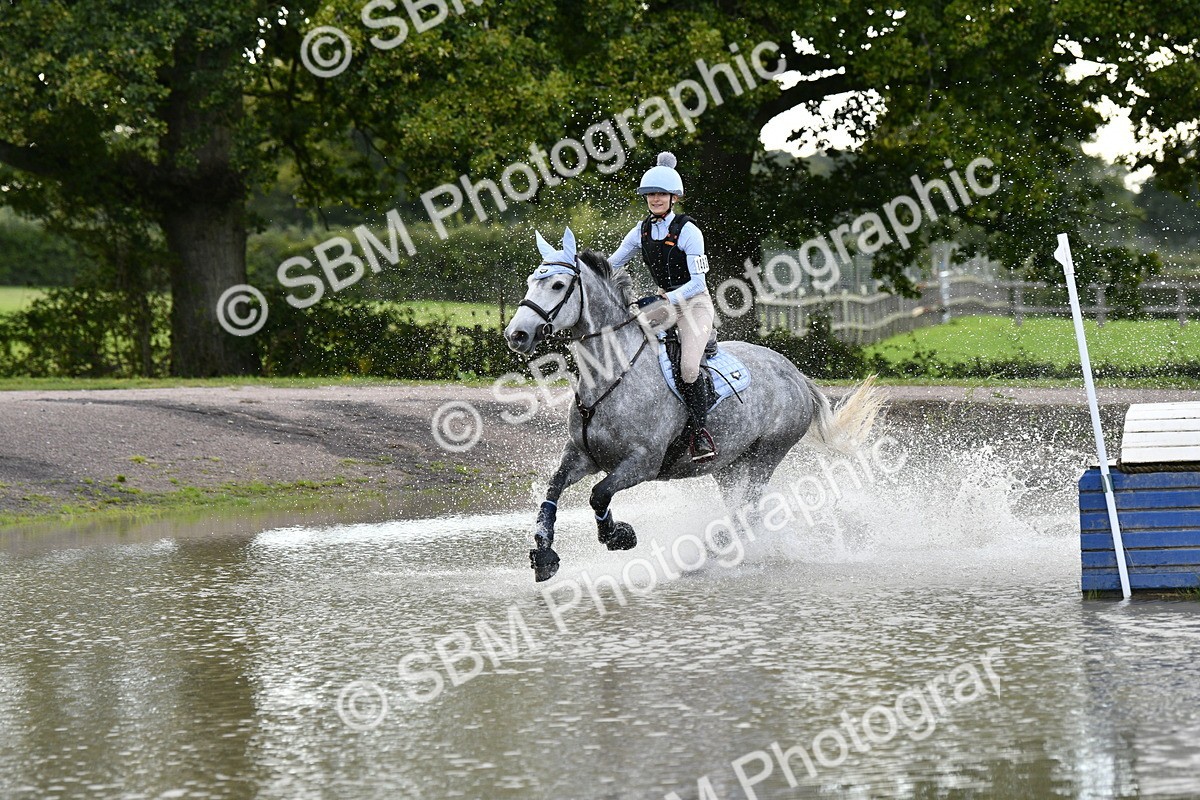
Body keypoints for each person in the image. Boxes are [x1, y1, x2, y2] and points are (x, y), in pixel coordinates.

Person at [609, 151, 717, 463]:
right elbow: (612, 264)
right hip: (664, 303)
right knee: (627, 342)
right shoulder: (640, 231)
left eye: (661, 194)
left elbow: (698, 283)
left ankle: (700, 434)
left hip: (694, 305)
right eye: (651, 194)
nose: (655, 199)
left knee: (688, 368)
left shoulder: (689, 232)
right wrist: (578, 267)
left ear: (674, 197)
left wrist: (665, 298)